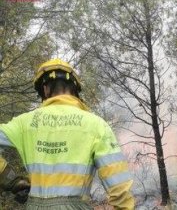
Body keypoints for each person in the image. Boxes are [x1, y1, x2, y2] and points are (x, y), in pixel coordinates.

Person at [0, 59, 135, 209]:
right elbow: (119, 186)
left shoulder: (24, 123)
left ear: (45, 89)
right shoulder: (96, 125)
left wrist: (10, 180)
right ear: (74, 88)